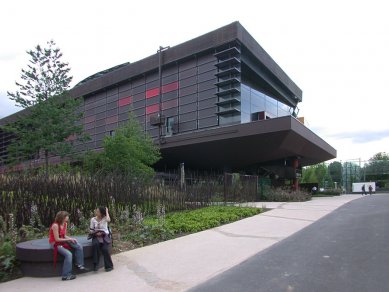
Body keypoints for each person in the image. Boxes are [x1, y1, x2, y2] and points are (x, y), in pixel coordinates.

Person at [49, 211, 88, 281]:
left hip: (62, 239)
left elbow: (64, 235)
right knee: (68, 254)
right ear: (62, 217)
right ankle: (66, 275)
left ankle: (79, 264)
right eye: (67, 216)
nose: (68, 218)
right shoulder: (55, 225)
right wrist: (67, 240)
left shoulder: (65, 224)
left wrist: (71, 239)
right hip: (55, 243)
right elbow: (57, 239)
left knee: (78, 246)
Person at [89, 207, 114, 272]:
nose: (96, 212)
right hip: (96, 235)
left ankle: (109, 266)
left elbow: (108, 220)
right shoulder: (93, 219)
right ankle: (95, 265)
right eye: (96, 211)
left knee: (105, 249)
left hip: (104, 235)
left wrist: (107, 212)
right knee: (95, 245)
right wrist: (95, 233)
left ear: (101, 213)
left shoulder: (105, 218)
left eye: (98, 211)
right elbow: (91, 229)